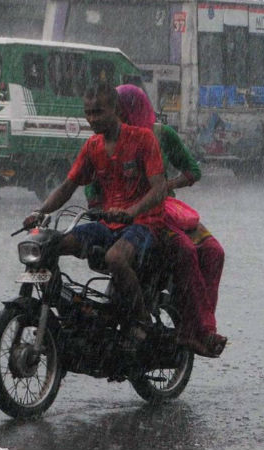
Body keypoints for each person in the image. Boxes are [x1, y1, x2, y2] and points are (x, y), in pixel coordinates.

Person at [23, 82, 167, 353]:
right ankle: (72, 313)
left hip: (144, 224)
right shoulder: (92, 146)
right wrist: (39, 212)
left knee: (115, 258)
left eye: (98, 112)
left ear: (116, 109)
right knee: (50, 245)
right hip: (107, 224)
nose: (92, 119)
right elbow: (67, 186)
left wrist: (131, 212)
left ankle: (141, 322)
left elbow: (160, 188)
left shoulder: (143, 139)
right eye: (88, 113)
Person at [103, 84, 227, 358]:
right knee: (183, 251)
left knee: (214, 252)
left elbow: (193, 170)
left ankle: (202, 325)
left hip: (166, 209)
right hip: (136, 218)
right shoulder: (107, 140)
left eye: (121, 111)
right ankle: (198, 330)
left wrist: (164, 186)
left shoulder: (160, 134)